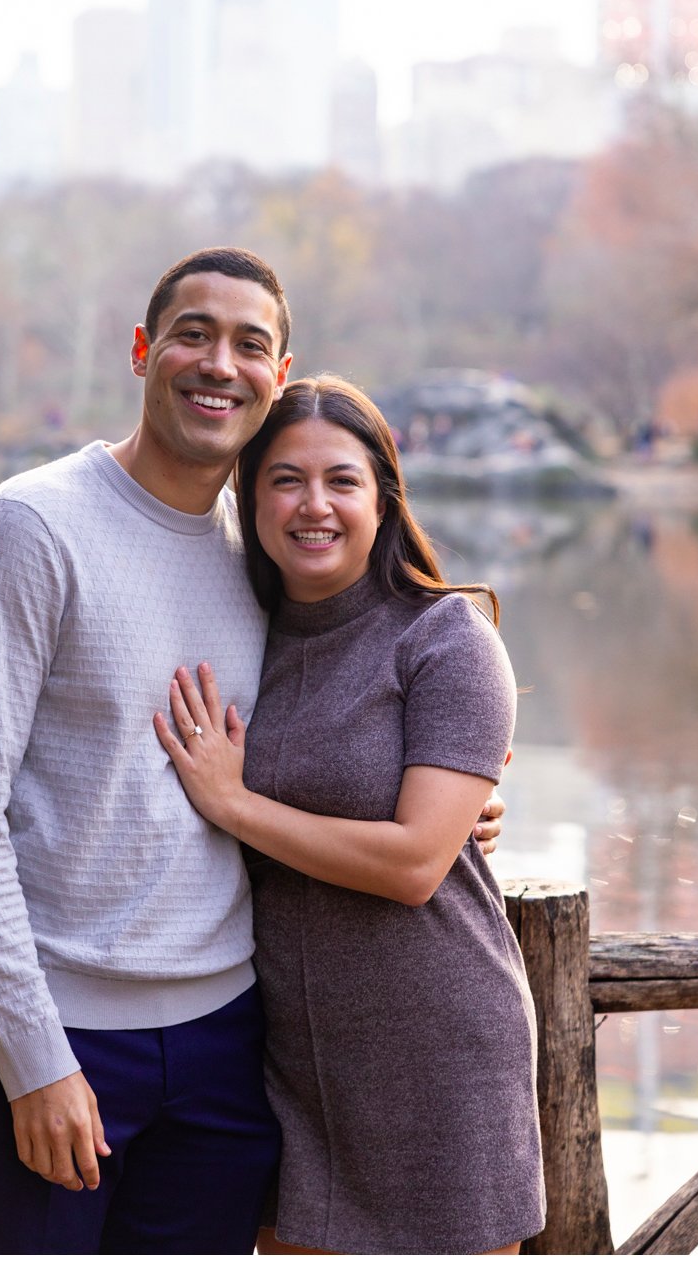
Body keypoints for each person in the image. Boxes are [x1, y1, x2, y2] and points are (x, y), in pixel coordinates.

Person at [0, 248, 504, 1254]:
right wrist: (33, 1062)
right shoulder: (28, 528)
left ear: (280, 373)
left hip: (228, 1044)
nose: (217, 363)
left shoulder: (269, 553)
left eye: (249, 343)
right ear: (145, 351)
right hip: (54, 1035)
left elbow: (350, 713)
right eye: (193, 333)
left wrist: (462, 800)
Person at [153, 377, 544, 1255]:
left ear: (383, 499)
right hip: (285, 1066)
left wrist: (233, 802)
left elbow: (413, 866)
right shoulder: (242, 634)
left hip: (438, 1058)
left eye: (342, 481)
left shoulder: (446, 638)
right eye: (285, 480)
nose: (313, 505)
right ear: (249, 500)